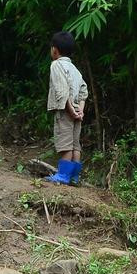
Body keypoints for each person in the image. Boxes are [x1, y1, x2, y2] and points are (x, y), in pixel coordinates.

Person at [44, 31, 89, 185]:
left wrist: (70, 111)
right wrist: (80, 110)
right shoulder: (74, 69)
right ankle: (74, 177)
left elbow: (62, 91)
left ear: (54, 50)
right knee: (75, 144)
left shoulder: (56, 65)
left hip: (65, 111)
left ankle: (63, 176)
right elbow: (84, 90)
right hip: (77, 111)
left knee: (65, 143)